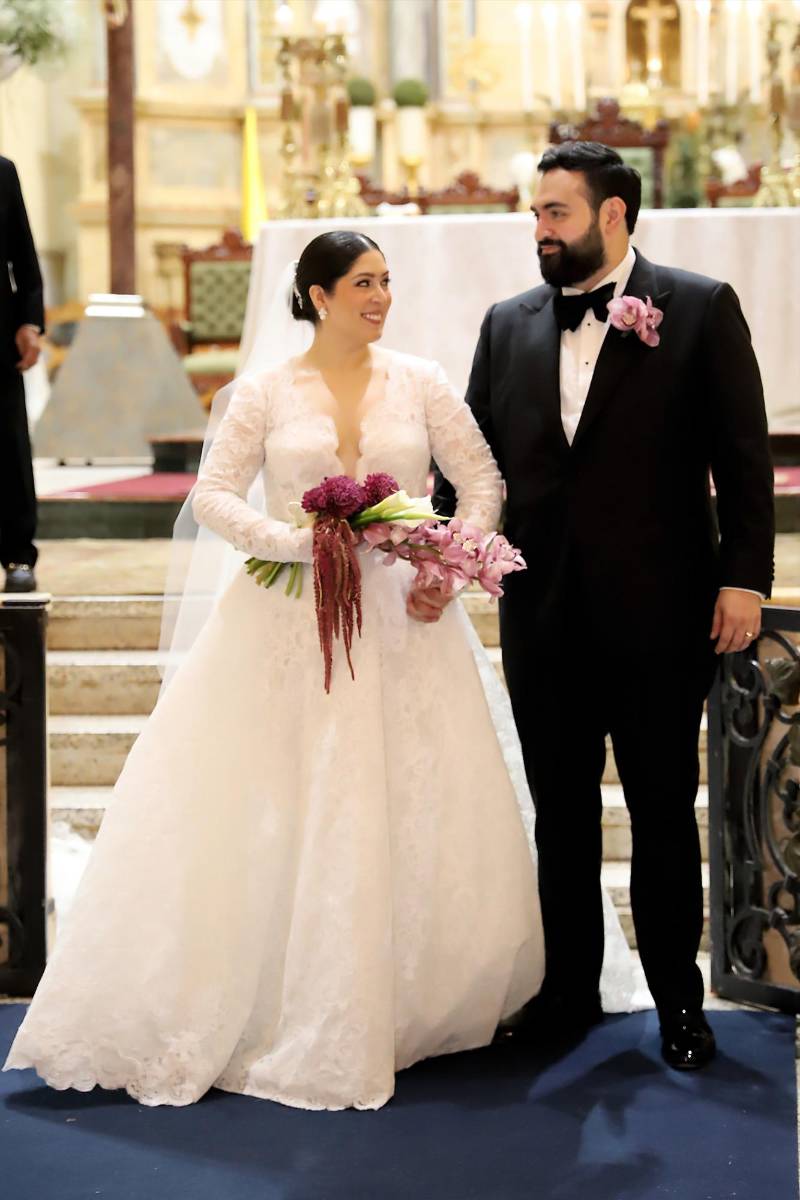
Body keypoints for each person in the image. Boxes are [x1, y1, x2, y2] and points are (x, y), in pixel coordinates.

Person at [7, 231, 637, 1111]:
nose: (381, 297)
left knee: (409, 799)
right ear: (315, 295)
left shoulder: (419, 380)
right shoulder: (265, 391)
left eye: (387, 281)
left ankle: (421, 998)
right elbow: (213, 495)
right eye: (363, 283)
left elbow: (482, 479)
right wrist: (295, 544)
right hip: (285, 623)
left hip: (403, 625)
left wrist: (444, 565)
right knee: (279, 802)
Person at [434, 142, 774, 1071]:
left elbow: (744, 459)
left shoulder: (699, 309)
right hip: (542, 615)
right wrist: (443, 550)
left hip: (663, 614)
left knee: (664, 810)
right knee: (561, 814)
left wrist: (744, 577)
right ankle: (568, 992)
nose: (539, 230)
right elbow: (470, 466)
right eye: (537, 213)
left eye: (556, 213)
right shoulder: (507, 325)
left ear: (613, 215)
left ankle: (678, 1002)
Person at [0, 155, 44, 593]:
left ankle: (17, 555)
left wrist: (30, 322)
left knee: (8, 446)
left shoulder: (3, 171)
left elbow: (24, 259)